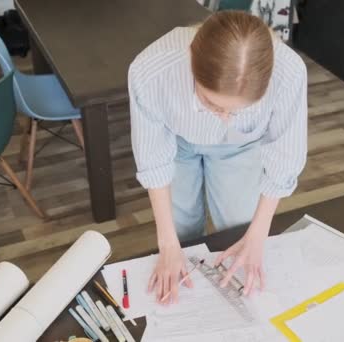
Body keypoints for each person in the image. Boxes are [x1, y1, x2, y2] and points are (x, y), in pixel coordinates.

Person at [128, 10, 307, 305]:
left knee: (240, 227)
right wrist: (167, 245)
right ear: (191, 61)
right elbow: (153, 160)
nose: (224, 119)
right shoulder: (150, 71)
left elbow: (284, 158)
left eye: (237, 110)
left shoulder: (289, 72)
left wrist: (257, 235)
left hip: (242, 145)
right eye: (211, 103)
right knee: (181, 231)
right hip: (177, 142)